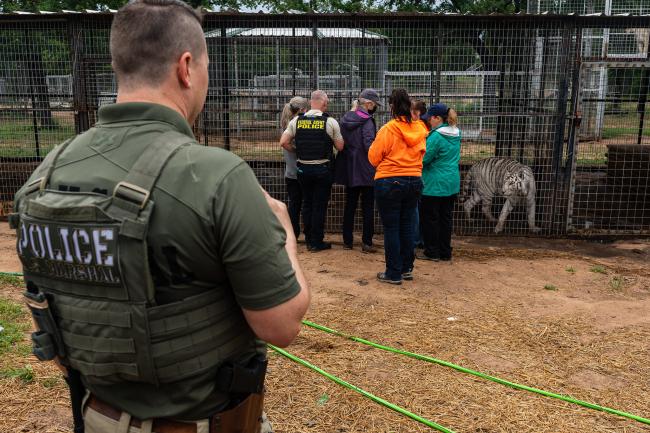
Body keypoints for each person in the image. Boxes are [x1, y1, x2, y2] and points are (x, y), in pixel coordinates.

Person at [11, 2, 310, 433]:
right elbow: (281, 325)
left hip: (96, 415)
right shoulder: (215, 175)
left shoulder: (45, 176)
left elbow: (52, 319)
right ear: (186, 67)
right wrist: (285, 233)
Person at [368, 89, 428, 285]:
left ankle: (393, 273)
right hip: (414, 180)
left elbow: (374, 157)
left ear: (392, 106)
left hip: (390, 180)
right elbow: (422, 154)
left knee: (392, 228)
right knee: (407, 225)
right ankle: (406, 268)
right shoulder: (420, 128)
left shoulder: (388, 129)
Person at [280, 90, 344, 252]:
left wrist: (297, 150)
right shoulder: (330, 122)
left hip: (303, 169)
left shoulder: (296, 121)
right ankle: (316, 241)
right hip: (322, 169)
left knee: (307, 204)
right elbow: (340, 147)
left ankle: (308, 239)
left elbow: (283, 142)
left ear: (310, 103)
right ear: (324, 104)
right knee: (319, 205)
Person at [335, 89, 380, 253]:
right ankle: (367, 242)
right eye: (374, 105)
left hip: (350, 168)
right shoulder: (368, 121)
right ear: (368, 104)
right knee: (367, 207)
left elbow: (340, 141)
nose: (374, 108)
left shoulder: (345, 119)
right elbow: (369, 144)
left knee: (350, 205)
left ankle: (347, 241)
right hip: (367, 169)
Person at [417, 103, 461, 261]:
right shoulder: (457, 133)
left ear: (437, 118)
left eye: (430, 118)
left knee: (430, 218)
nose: (428, 121)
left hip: (434, 184)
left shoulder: (436, 136)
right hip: (452, 182)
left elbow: (425, 158)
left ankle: (432, 251)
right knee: (446, 218)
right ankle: (445, 251)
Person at [280, 96, 310, 239]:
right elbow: (285, 143)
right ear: (302, 110)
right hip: (299, 171)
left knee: (294, 204)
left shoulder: (286, 123)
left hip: (290, 172)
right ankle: (307, 232)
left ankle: (293, 233)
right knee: (305, 203)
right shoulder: (296, 124)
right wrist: (298, 150)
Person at [410, 99, 427, 250]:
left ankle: (415, 240)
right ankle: (419, 239)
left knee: (414, 209)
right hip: (419, 172)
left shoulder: (418, 127)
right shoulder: (424, 127)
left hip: (415, 172)